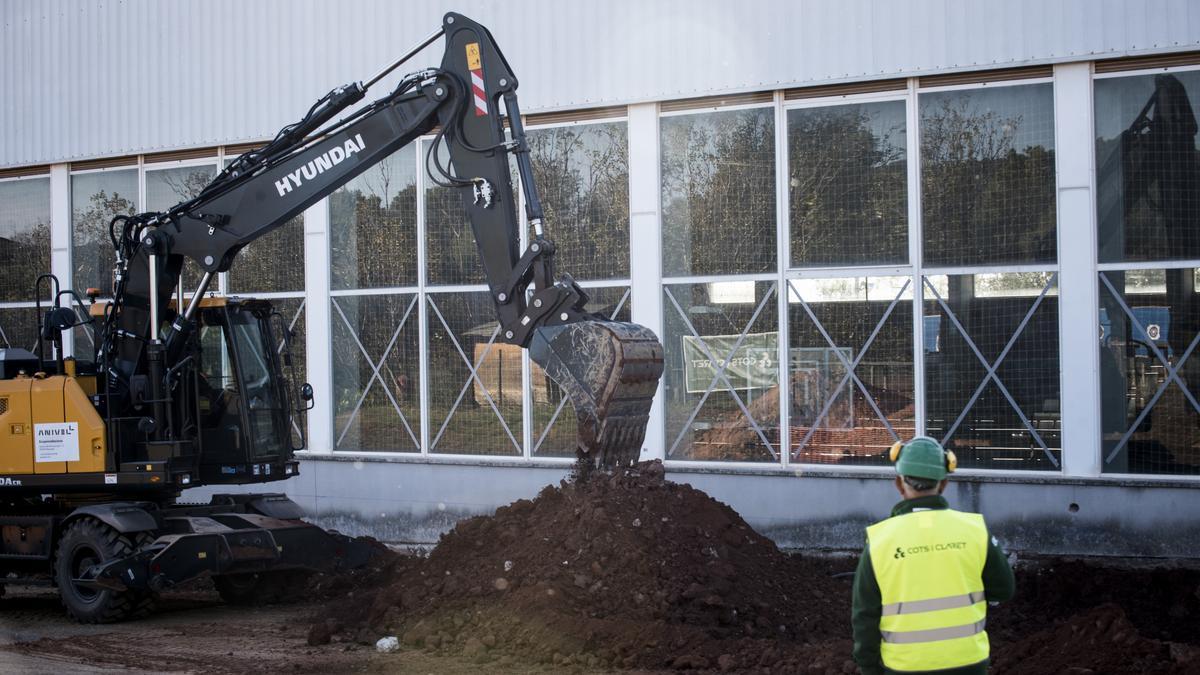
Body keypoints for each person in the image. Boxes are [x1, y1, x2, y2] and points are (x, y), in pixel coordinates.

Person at [851, 437, 1015, 674]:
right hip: (968, 662)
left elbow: (865, 615)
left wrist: (868, 667)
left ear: (899, 484)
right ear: (944, 484)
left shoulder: (880, 541)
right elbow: (1004, 590)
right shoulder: (975, 530)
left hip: (905, 666)